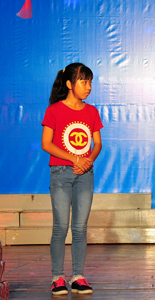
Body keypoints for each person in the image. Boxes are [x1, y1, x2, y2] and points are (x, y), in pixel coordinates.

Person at [41, 63, 103, 295]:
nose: (88, 87)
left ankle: (78, 276)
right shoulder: (55, 110)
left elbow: (96, 144)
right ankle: (57, 277)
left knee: (80, 228)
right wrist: (75, 158)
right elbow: (47, 143)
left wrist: (87, 161)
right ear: (69, 84)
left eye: (89, 82)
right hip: (61, 173)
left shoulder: (91, 111)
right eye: (83, 82)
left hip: (84, 174)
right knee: (61, 227)